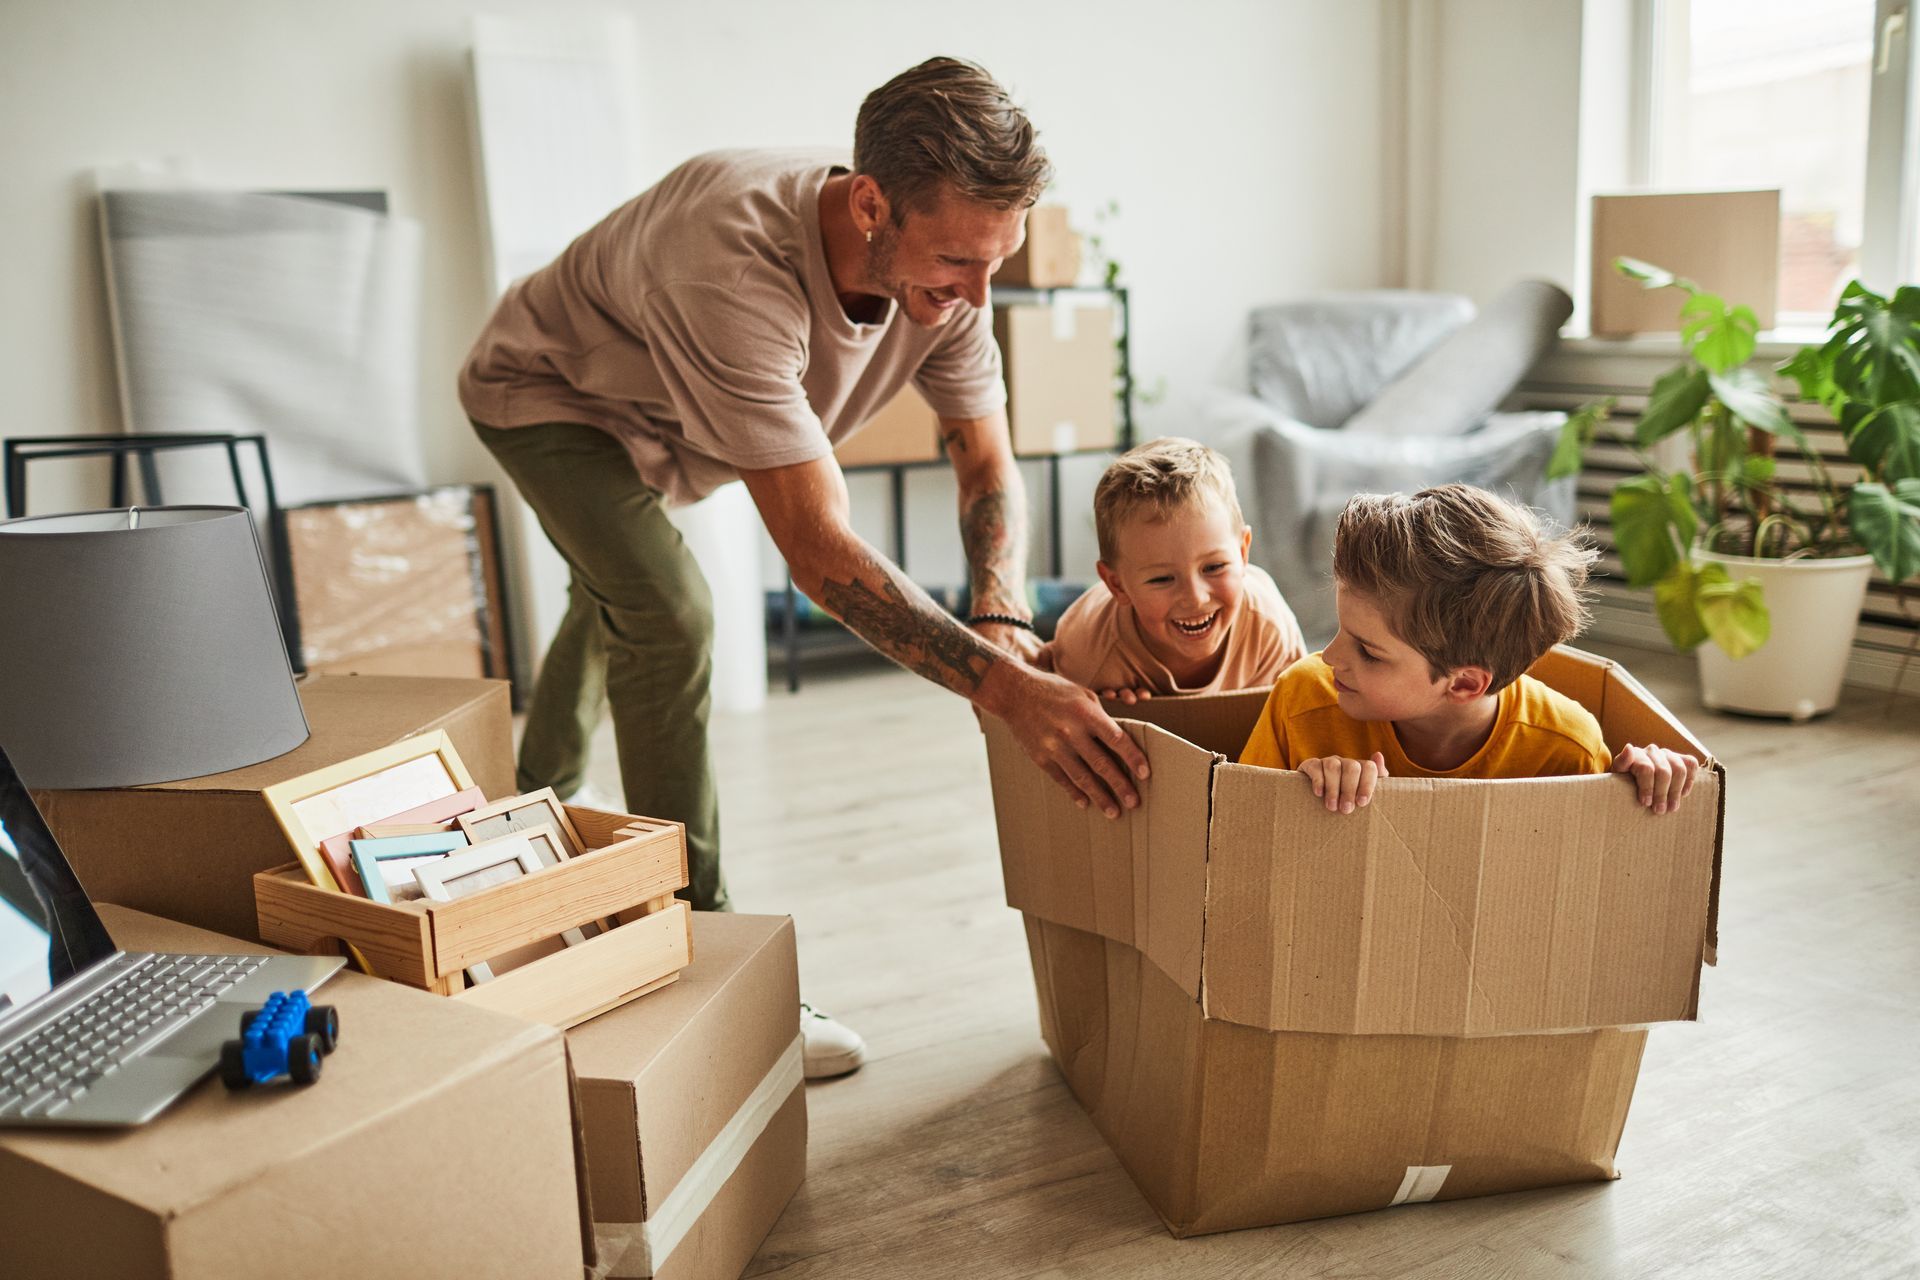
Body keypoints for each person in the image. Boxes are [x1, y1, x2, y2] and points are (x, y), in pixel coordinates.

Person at [457, 57, 1148, 1078]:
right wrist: (1008, 689)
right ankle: (703, 953)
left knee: (618, 592)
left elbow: (985, 460)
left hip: (669, 417)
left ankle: (525, 807)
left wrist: (1000, 614)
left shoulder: (949, 276)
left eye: (994, 263)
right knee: (667, 610)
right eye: (957, 261)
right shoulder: (730, 263)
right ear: (872, 202)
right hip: (552, 391)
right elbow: (821, 555)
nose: (974, 296)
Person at [1238, 485, 1702, 813]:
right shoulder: (1303, 698)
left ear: (1463, 683)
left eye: (1369, 652)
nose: (1331, 657)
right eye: (1341, 630)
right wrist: (1299, 798)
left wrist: (1640, 786)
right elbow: (1237, 831)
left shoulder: (1564, 749)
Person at [1044, 438, 1305, 701]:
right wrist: (1112, 715)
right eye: (1162, 579)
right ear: (1117, 585)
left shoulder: (1270, 630)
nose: (1195, 597)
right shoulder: (1087, 654)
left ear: (1242, 552)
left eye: (1214, 567)